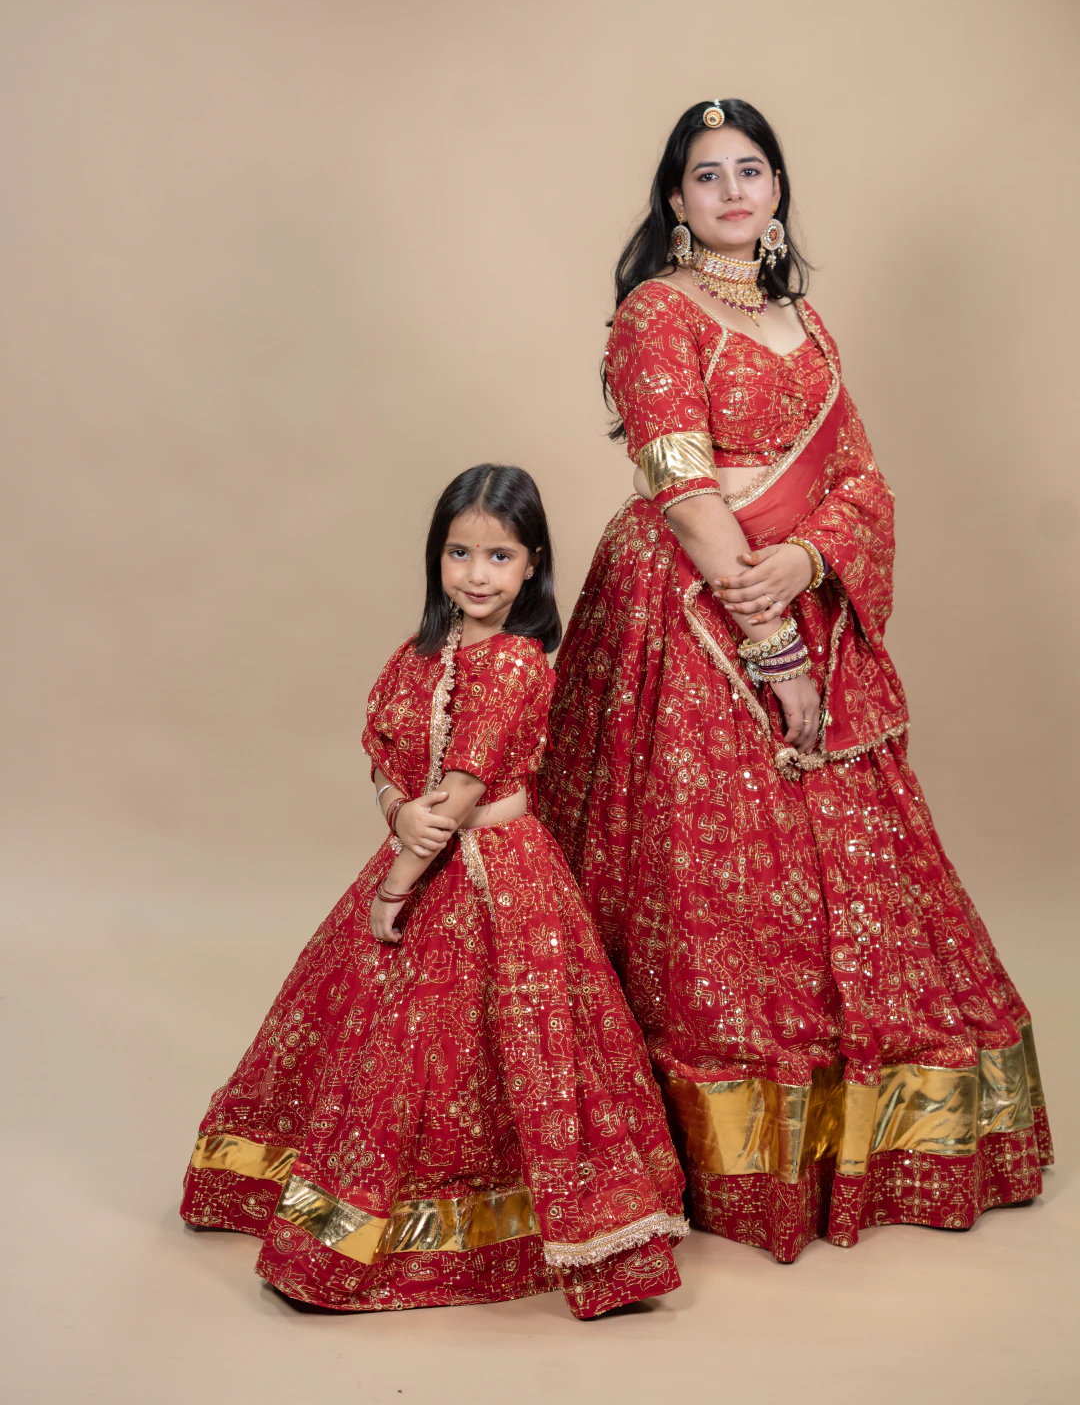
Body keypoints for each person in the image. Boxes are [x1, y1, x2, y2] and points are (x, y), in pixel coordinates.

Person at [538, 100, 1051, 1263]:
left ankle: (848, 1130)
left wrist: (810, 560)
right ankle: (702, 1144)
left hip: (799, 591)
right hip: (685, 614)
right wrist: (765, 631)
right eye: (705, 174)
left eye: (751, 170)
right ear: (674, 201)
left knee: (853, 870)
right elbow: (677, 478)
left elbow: (862, 478)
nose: (731, 191)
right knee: (700, 863)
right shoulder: (655, 316)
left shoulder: (806, 325)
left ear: (776, 190)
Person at [180, 464, 687, 1315]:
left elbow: (461, 790)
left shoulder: (519, 663)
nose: (476, 574)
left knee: (476, 1043)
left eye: (499, 556)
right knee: (378, 1038)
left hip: (497, 877)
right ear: (436, 558)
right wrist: (394, 807)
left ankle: (477, 1223)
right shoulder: (425, 652)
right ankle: (332, 1203)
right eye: (459, 553)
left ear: (533, 567)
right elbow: (384, 747)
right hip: (421, 850)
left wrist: (396, 881)